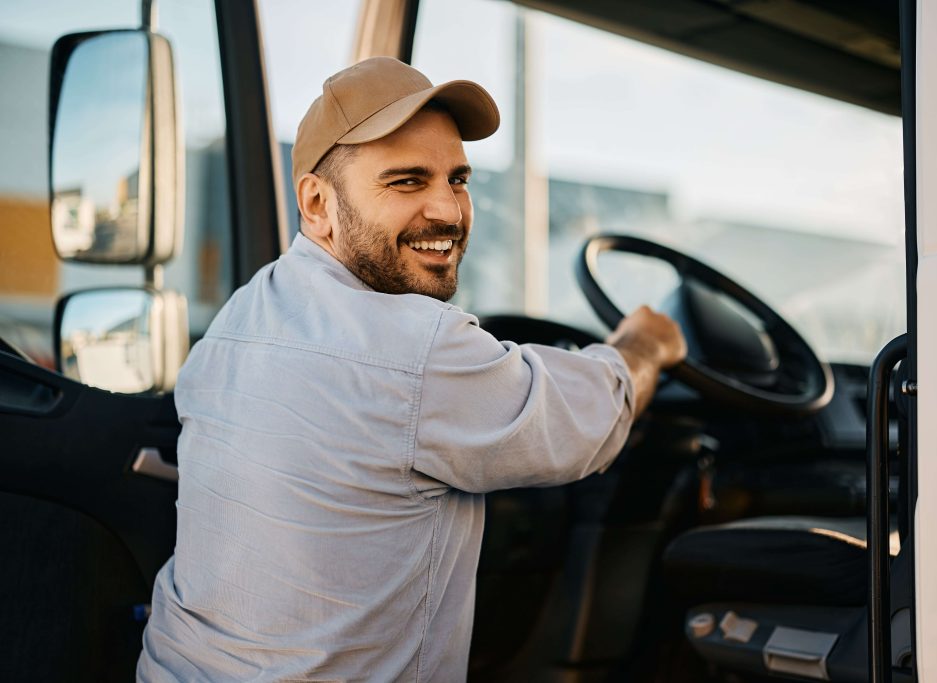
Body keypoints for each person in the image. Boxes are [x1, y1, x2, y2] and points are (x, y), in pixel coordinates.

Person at [137, 56, 685, 682]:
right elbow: (588, 423)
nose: (448, 211)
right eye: (406, 182)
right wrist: (644, 347)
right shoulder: (414, 348)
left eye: (457, 179)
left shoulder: (237, 321)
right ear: (317, 204)